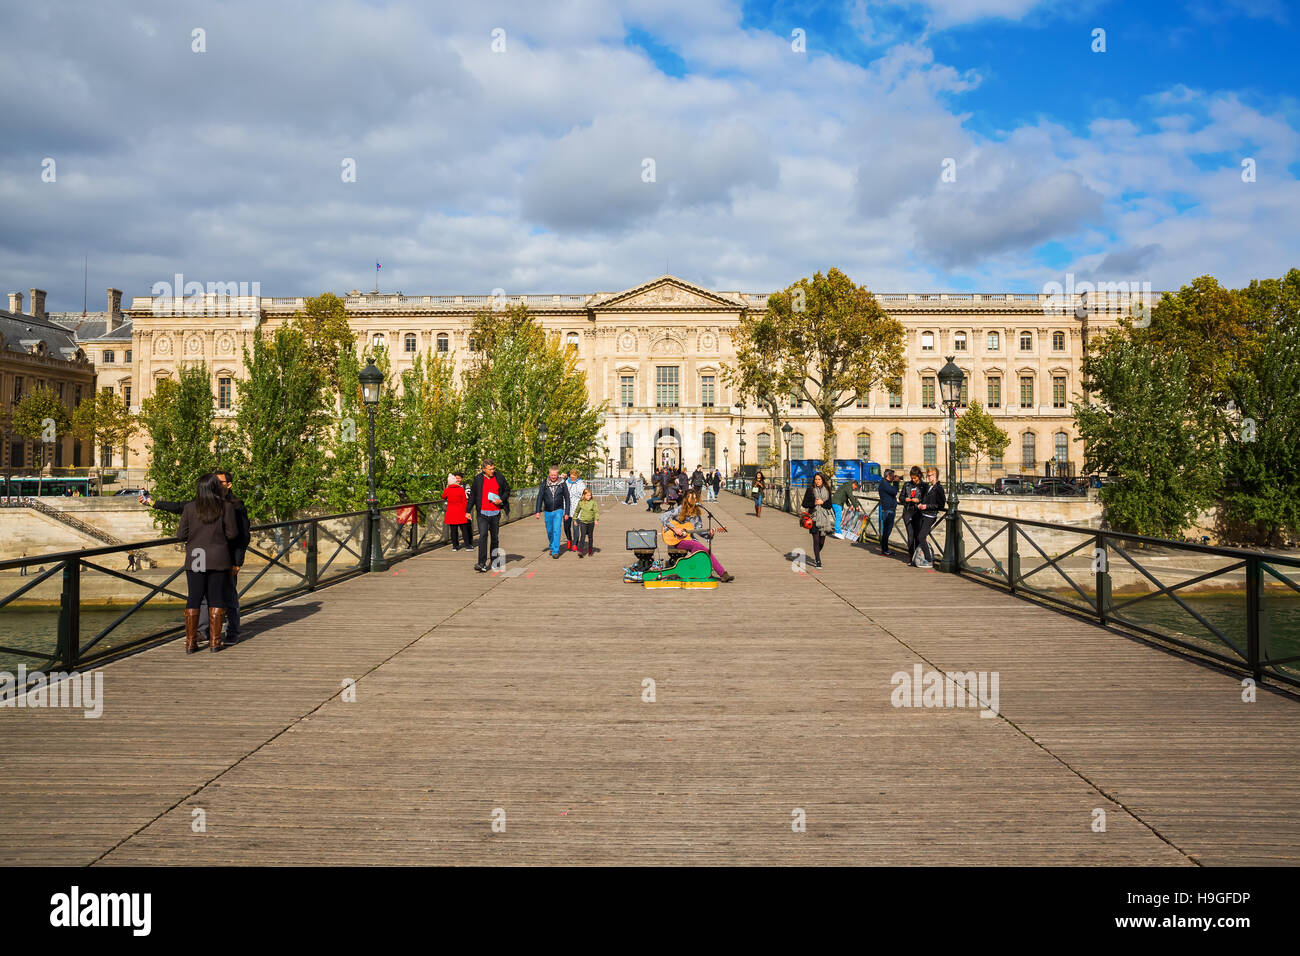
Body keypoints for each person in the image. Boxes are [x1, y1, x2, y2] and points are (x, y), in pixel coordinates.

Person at [144, 468, 251, 645]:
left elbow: (242, 536)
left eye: (220, 482)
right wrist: (153, 503)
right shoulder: (202, 505)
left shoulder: (235, 505)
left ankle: (228, 632)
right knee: (203, 596)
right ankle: (206, 634)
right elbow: (179, 506)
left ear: (228, 485)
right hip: (217, 555)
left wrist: (238, 561)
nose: (216, 484)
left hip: (217, 556)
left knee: (227, 595)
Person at [175, 473, 238, 653]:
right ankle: (214, 642)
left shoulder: (189, 508)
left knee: (194, 596)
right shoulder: (226, 507)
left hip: (196, 555)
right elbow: (232, 533)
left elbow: (181, 535)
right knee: (216, 597)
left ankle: (190, 642)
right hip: (218, 555)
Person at [659, 491, 734, 582]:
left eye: (695, 498)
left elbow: (699, 530)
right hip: (676, 540)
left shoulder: (696, 514)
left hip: (689, 539)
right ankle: (716, 573)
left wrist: (709, 534)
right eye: (692, 498)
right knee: (697, 546)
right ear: (687, 499)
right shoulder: (680, 509)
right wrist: (675, 529)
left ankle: (722, 574)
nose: (695, 500)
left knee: (704, 551)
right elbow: (663, 517)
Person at [470, 459, 512, 572]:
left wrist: (501, 500)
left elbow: (507, 490)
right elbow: (473, 496)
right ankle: (482, 563)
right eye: (490, 469)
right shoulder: (478, 479)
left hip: (495, 513)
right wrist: (467, 511)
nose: (492, 471)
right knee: (483, 536)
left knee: (494, 538)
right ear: (484, 469)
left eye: (493, 469)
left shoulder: (499, 477)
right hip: (482, 513)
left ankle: (494, 561)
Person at [534, 465, 570, 559]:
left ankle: (555, 551)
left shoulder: (562, 483)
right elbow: (540, 498)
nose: (553, 477)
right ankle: (552, 545)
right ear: (549, 474)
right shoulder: (544, 483)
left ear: (557, 474)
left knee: (557, 530)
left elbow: (567, 498)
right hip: (548, 511)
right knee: (549, 530)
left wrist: (567, 512)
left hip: (558, 510)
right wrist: (537, 511)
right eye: (552, 475)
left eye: (555, 475)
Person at [800, 472, 834, 568]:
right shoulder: (810, 490)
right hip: (813, 517)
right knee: (816, 539)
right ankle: (818, 560)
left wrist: (822, 502)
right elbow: (804, 504)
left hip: (824, 518)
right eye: (816, 479)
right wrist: (814, 503)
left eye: (819, 479)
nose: (817, 481)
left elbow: (829, 505)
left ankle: (816, 554)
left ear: (822, 480)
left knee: (821, 542)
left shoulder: (827, 490)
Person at [915, 466, 947, 568]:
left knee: (921, 536)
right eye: (928, 476)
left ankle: (929, 559)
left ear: (935, 475)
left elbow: (941, 505)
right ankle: (924, 556)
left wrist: (926, 506)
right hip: (924, 514)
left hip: (930, 515)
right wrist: (921, 504)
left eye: (931, 475)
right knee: (920, 536)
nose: (929, 477)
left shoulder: (939, 488)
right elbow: (927, 500)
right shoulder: (930, 487)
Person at [901, 466, 929, 566]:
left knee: (918, 535)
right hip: (908, 512)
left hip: (918, 513)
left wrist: (919, 500)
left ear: (919, 476)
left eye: (915, 478)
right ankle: (910, 556)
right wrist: (905, 499)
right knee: (910, 535)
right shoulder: (906, 485)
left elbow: (926, 499)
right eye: (912, 478)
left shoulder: (924, 486)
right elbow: (901, 497)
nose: (913, 480)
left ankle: (917, 557)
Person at [442, 472, 471, 551]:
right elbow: (464, 501)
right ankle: (467, 546)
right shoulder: (461, 489)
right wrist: (466, 511)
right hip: (460, 511)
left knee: (453, 530)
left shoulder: (447, 489)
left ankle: (455, 546)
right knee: (464, 529)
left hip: (451, 512)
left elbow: (443, 496)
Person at [877, 469, 900, 556]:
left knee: (886, 531)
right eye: (893, 476)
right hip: (888, 510)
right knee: (887, 531)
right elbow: (894, 491)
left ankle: (885, 549)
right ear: (888, 476)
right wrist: (896, 482)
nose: (894, 477)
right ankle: (885, 550)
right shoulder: (884, 484)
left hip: (888, 509)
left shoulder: (885, 484)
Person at [563, 469, 586, 552]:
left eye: (574, 476)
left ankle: (575, 544)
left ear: (577, 476)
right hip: (567, 507)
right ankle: (569, 539)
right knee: (566, 526)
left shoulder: (580, 483)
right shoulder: (566, 482)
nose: (572, 478)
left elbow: (584, 494)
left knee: (575, 527)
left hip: (577, 508)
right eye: (571, 476)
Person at [573, 487, 599, 557]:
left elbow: (596, 511)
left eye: (590, 495)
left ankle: (590, 550)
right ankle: (581, 551)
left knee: (590, 536)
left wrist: (596, 519)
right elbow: (577, 511)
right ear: (584, 495)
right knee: (583, 536)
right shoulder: (581, 502)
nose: (589, 497)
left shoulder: (593, 502)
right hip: (583, 522)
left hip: (591, 522)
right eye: (587, 495)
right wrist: (575, 519)